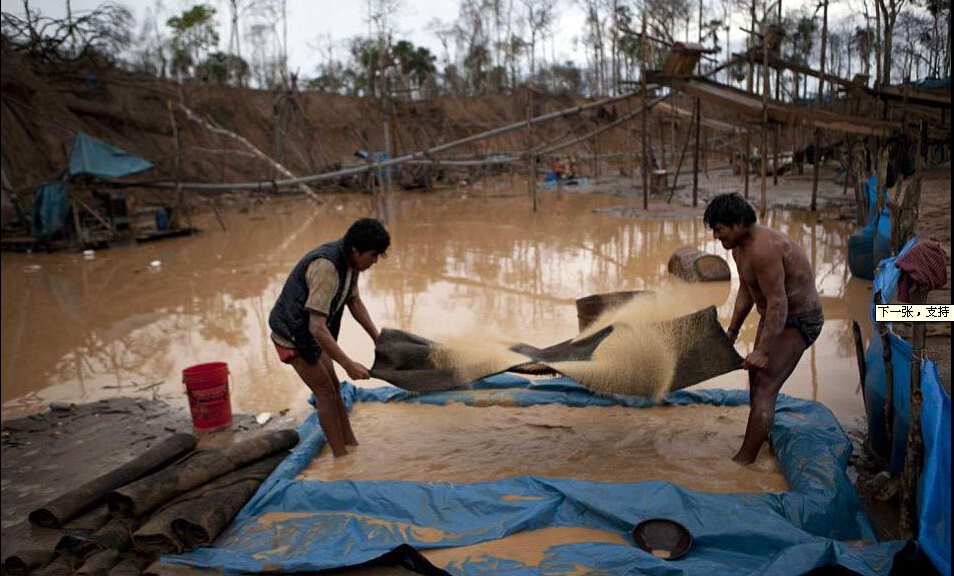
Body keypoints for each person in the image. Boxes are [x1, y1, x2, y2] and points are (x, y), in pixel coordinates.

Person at [703, 193, 824, 464]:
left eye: (719, 229)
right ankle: (760, 434)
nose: (716, 236)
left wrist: (764, 351)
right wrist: (732, 332)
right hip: (775, 317)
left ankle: (744, 463)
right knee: (756, 381)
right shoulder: (739, 249)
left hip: (799, 318)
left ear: (737, 224)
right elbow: (748, 290)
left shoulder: (762, 249)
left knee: (764, 388)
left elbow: (779, 302)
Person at [269, 218, 390, 457]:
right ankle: (341, 458)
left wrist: (378, 339)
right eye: (373, 255)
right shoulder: (327, 267)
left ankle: (351, 444)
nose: (375, 261)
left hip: (312, 332)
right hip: (292, 335)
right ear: (356, 250)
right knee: (325, 393)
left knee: (335, 389)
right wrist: (348, 364)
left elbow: (353, 301)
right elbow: (316, 327)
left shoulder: (351, 263)